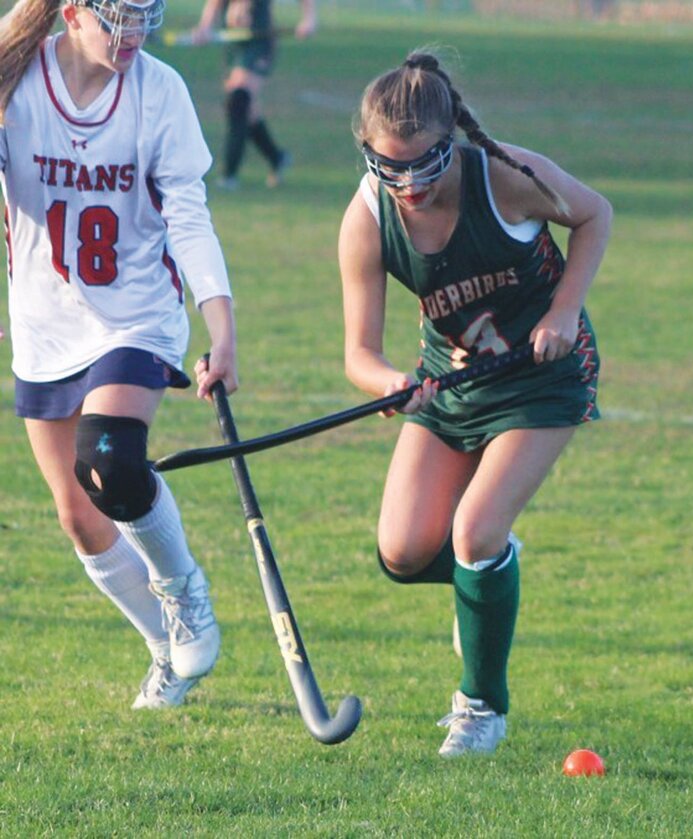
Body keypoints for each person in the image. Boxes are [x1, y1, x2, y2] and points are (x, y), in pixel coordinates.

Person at [338, 50, 612, 757]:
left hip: (540, 378)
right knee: (400, 552)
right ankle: (489, 568)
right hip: (450, 385)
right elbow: (358, 354)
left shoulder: (502, 176)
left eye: (423, 165)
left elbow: (593, 214)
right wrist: (391, 383)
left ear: (451, 137)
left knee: (474, 530)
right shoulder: (367, 219)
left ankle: (481, 706)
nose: (408, 184)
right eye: (388, 166)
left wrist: (564, 310)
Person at [0, 0, 238, 710]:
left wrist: (219, 325)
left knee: (107, 458)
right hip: (46, 320)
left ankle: (184, 591)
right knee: (79, 516)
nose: (133, 36)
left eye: (147, 18)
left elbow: (189, 216)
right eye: (118, 20)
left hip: (136, 313)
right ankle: (164, 649)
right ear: (71, 13)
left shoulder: (158, 90)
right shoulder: (15, 78)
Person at [192, 0, 317, 190]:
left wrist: (308, 19)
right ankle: (276, 157)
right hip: (233, 41)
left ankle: (229, 174)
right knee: (246, 111)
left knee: (238, 100)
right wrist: (204, 27)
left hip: (259, 40)